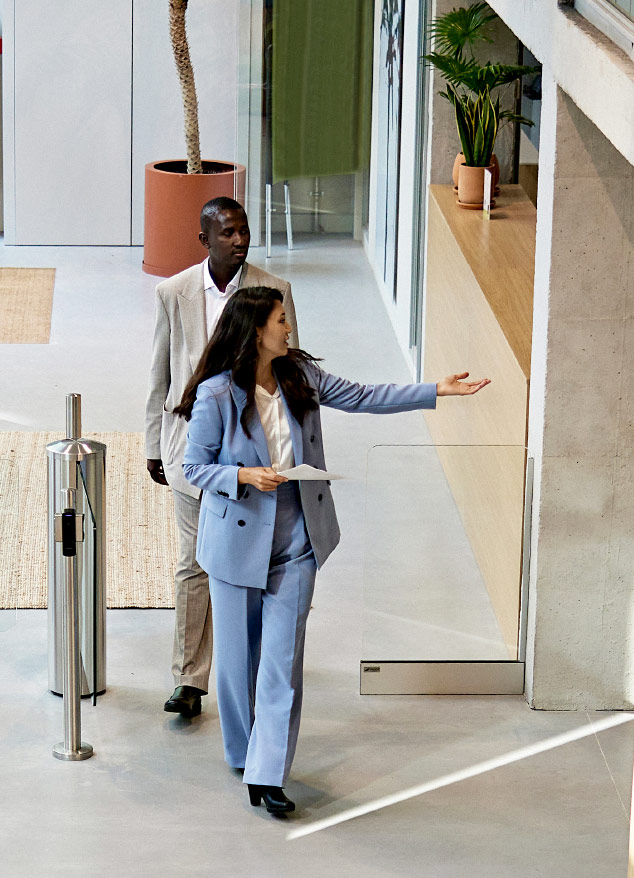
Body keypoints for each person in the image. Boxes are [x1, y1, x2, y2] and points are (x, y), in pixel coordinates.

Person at [176, 286, 490, 814]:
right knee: (235, 664)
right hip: (235, 545)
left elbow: (365, 395)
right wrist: (242, 474)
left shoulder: (300, 375)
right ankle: (244, 751)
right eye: (281, 320)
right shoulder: (214, 396)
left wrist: (436, 389)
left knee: (281, 662)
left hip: (297, 543)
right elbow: (193, 468)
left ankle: (267, 772)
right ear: (256, 330)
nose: (289, 327)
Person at [145, 198, 299, 719]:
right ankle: (189, 679)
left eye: (244, 231)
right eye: (228, 232)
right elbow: (160, 376)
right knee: (193, 564)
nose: (240, 240)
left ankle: (247, 665)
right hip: (193, 453)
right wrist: (152, 445)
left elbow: (292, 372)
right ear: (204, 239)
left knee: (248, 565)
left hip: (255, 462)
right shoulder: (173, 293)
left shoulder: (275, 292)